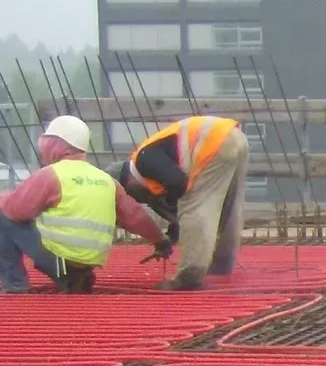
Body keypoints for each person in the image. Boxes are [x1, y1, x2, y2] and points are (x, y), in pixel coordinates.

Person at [0, 115, 167, 293]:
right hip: (87, 262)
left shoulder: (51, 175)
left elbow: (14, 211)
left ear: (55, 145)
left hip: (59, 261)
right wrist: (160, 240)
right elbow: (136, 217)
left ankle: (15, 285)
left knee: (3, 217)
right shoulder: (107, 180)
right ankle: (78, 276)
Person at [118, 114, 250, 290]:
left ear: (128, 182)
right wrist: (175, 227)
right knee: (228, 208)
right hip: (233, 137)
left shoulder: (142, 159)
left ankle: (189, 277)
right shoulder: (149, 156)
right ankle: (221, 265)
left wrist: (177, 221)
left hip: (214, 143)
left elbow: (177, 184)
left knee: (194, 206)